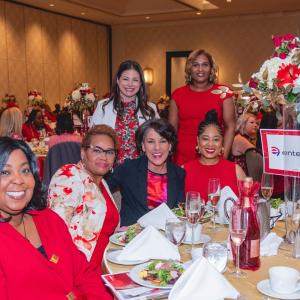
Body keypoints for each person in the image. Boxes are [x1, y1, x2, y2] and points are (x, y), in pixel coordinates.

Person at [0, 137, 112, 299]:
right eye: (5, 172)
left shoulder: (48, 219)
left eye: (25, 170)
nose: (18, 180)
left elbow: (83, 272)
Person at [48, 125, 119, 272]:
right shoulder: (69, 174)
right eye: (97, 150)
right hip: (81, 270)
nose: (104, 157)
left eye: (109, 152)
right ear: (83, 153)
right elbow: (56, 231)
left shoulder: (102, 182)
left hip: (107, 264)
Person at [107, 119, 185, 226]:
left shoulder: (178, 173)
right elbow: (100, 191)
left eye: (163, 141)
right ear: (143, 146)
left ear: (170, 145)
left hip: (164, 237)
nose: (157, 148)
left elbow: (179, 214)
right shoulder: (128, 169)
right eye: (151, 141)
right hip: (131, 237)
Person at [169, 49, 236, 165]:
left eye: (205, 65)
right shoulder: (177, 94)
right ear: (190, 69)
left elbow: (230, 127)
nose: (200, 69)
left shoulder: (223, 92)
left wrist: (223, 158)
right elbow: (171, 131)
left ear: (211, 69)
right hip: (182, 159)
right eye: (196, 65)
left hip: (212, 156)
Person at [91, 60, 158, 165]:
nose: (130, 84)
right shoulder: (103, 106)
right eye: (125, 79)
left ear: (140, 83)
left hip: (140, 169)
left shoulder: (150, 109)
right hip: (109, 169)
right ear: (118, 80)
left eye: (135, 80)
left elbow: (158, 141)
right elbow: (92, 140)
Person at [184, 110, 245, 203]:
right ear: (198, 140)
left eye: (216, 139)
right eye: (205, 139)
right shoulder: (184, 171)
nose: (210, 144)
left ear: (222, 142)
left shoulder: (236, 171)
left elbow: (249, 205)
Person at [231, 113, 263, 181]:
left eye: (256, 123)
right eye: (252, 122)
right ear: (243, 124)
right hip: (241, 180)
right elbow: (259, 156)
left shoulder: (246, 139)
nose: (255, 125)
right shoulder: (239, 138)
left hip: (244, 179)